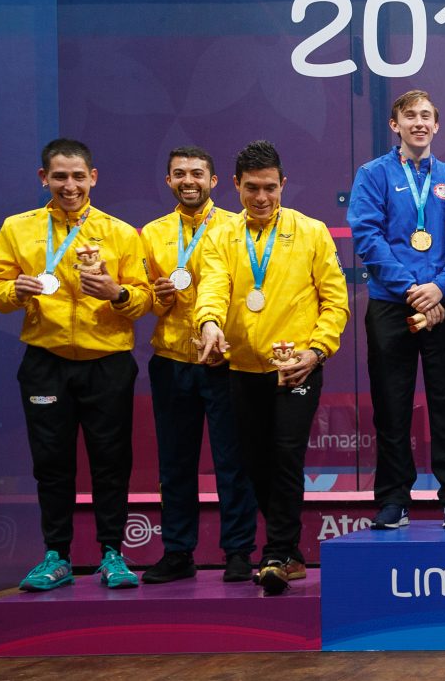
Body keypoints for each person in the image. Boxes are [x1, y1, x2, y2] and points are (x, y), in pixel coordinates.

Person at [0, 138, 154, 591]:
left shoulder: (120, 232)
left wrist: (116, 293)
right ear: (44, 179)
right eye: (60, 176)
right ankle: (55, 555)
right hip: (46, 361)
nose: (70, 185)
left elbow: (143, 298)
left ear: (93, 177)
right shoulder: (19, 229)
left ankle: (112, 554)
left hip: (108, 362)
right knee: (51, 462)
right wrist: (14, 291)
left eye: (78, 176)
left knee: (110, 462)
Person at [195, 141, 349, 594]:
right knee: (253, 461)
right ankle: (292, 552)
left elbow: (335, 302)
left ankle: (278, 551)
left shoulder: (312, 231)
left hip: (296, 368)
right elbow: (214, 289)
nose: (261, 198)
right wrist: (208, 324)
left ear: (283, 184)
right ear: (236, 187)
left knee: (285, 456)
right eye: (250, 189)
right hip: (241, 368)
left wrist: (316, 351)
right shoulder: (221, 236)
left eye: (269, 188)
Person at [348, 91, 445, 531]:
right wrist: (413, 289)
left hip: (444, 305)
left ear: (437, 126)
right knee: (392, 406)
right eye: (409, 116)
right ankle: (393, 499)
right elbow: (367, 237)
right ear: (394, 124)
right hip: (390, 303)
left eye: (426, 116)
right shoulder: (372, 175)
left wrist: (438, 288)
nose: (418, 123)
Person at [139, 146, 257, 584]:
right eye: (179, 174)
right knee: (175, 463)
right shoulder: (150, 234)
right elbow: (137, 295)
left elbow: (249, 288)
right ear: (169, 181)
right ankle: (177, 552)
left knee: (233, 461)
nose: (189, 181)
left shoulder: (233, 227)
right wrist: (157, 297)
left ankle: (239, 551)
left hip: (226, 360)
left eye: (197, 174)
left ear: (215, 181)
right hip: (172, 359)